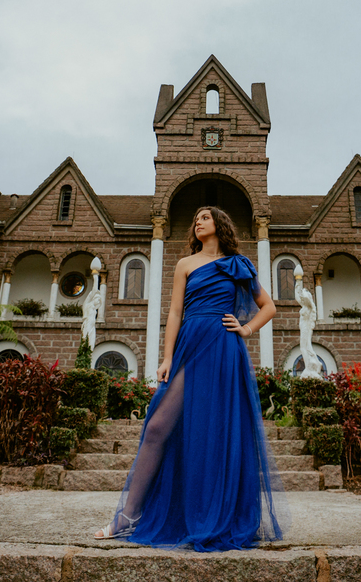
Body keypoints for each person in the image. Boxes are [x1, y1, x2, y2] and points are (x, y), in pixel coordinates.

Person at [93, 206, 287, 550]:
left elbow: (268, 306)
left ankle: (213, 513)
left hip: (223, 348)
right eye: (195, 218)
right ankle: (128, 515)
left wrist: (246, 330)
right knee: (157, 426)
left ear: (219, 225)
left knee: (216, 431)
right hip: (189, 345)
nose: (198, 221)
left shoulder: (238, 264)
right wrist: (167, 357)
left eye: (205, 217)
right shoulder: (185, 264)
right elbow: (174, 312)